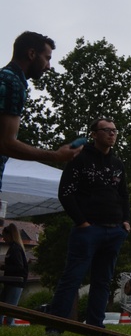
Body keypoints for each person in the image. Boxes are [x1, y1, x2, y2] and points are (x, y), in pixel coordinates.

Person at [48, 118, 131, 329]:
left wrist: (126, 221)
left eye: (114, 130)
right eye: (106, 130)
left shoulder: (118, 163)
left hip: (114, 230)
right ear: (94, 134)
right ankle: (55, 326)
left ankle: (95, 326)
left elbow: (123, 195)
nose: (112, 134)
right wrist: (82, 223)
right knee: (73, 278)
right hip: (88, 230)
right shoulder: (80, 160)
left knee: (103, 281)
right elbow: (66, 193)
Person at [0, 31, 81, 205]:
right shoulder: (13, 83)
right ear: (31, 54)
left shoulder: (4, 77)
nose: (48, 66)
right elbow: (5, 144)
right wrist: (56, 156)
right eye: (47, 58)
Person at [1, 223, 28, 324]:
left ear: (9, 235)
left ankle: (9, 325)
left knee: (10, 310)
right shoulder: (13, 248)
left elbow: (18, 267)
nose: (3, 239)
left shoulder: (15, 249)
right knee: (4, 306)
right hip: (11, 282)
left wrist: (3, 267)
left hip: (15, 282)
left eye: (4, 236)